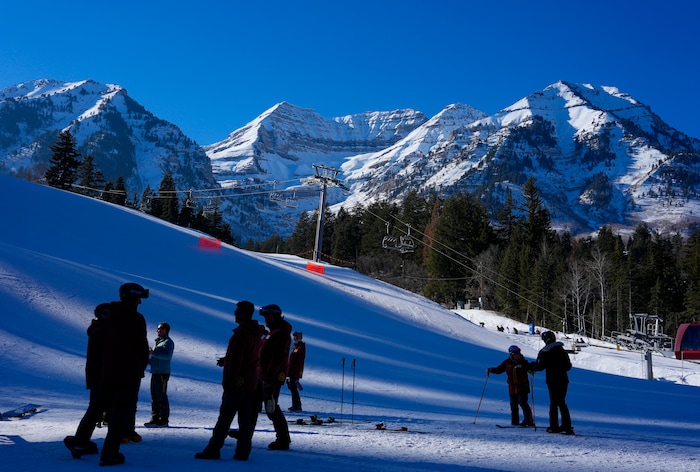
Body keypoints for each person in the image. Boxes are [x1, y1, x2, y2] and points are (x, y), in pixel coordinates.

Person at [195, 301, 263, 461]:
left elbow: (237, 360)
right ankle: (243, 451)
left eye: (238, 311)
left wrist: (229, 382)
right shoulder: (255, 333)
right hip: (250, 382)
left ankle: (213, 449)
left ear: (245, 314)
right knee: (245, 419)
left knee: (225, 418)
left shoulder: (242, 333)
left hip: (237, 383)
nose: (235, 313)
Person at [64, 303, 111, 458]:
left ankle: (81, 441)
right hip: (102, 378)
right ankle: (80, 442)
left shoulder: (99, 330)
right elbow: (103, 359)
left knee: (96, 410)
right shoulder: (102, 332)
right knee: (97, 409)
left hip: (98, 377)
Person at [257, 304, 292, 450]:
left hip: (271, 377)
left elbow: (277, 358)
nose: (266, 319)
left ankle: (283, 439)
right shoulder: (274, 332)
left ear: (276, 316)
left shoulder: (280, 333)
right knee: (253, 404)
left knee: (271, 407)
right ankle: (246, 432)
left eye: (268, 316)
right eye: (265, 316)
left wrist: (268, 379)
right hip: (264, 375)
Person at [529, 331, 573, 434]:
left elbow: (540, 366)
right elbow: (568, 366)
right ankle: (566, 426)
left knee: (554, 403)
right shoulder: (562, 350)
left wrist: (531, 367)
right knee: (562, 402)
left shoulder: (545, 351)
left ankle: (554, 426)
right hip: (563, 379)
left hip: (552, 379)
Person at [487, 345, 533, 426]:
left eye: (518, 352)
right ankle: (515, 422)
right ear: (511, 354)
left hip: (522, 387)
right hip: (512, 387)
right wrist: (491, 370)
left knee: (523, 403)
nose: (517, 354)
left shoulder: (523, 362)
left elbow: (529, 368)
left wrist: (532, 370)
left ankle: (528, 421)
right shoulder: (507, 362)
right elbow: (499, 369)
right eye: (515, 353)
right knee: (513, 405)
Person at [145, 322, 174, 427]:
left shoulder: (168, 342)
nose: (158, 330)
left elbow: (167, 356)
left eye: (161, 328)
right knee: (154, 395)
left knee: (161, 395)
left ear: (166, 330)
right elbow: (155, 358)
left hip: (162, 373)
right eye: (158, 329)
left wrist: (153, 353)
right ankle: (155, 417)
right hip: (155, 372)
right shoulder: (158, 342)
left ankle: (163, 419)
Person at [287, 331, 306, 412]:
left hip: (295, 372)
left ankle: (297, 405)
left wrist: (298, 375)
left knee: (294, 389)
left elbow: (300, 362)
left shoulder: (300, 348)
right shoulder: (295, 347)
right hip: (291, 371)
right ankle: (295, 405)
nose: (294, 339)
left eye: (295, 337)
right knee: (292, 388)